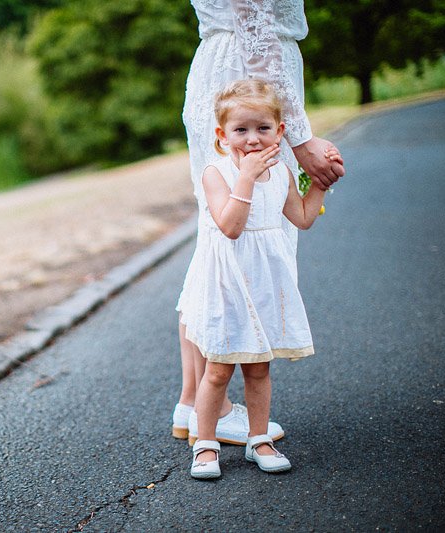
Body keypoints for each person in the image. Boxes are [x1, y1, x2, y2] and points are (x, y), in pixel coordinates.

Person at [171, 0, 345, 445]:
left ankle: (195, 403)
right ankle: (213, 403)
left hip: (223, 68)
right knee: (236, 237)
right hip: (247, 78)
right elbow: (255, 25)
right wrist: (301, 138)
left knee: (215, 241)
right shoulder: (259, 127)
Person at [187, 78, 335, 478]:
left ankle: (259, 439)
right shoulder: (215, 174)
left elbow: (302, 218)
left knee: (259, 367)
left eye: (262, 129)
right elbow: (231, 227)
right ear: (222, 136)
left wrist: (320, 184)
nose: (252, 139)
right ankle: (205, 444)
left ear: (279, 132)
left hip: (265, 283)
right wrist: (247, 177)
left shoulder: (284, 173)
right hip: (228, 283)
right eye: (241, 130)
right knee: (218, 368)